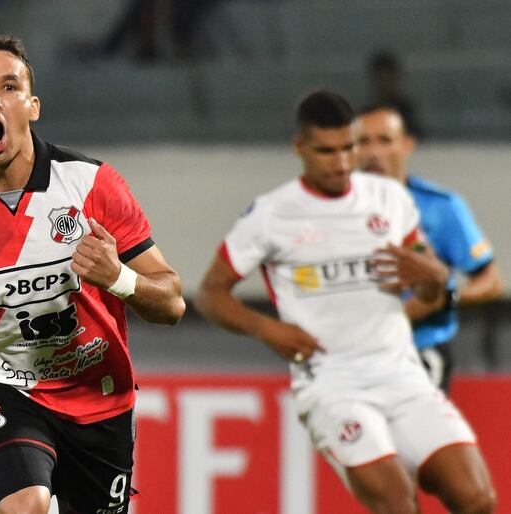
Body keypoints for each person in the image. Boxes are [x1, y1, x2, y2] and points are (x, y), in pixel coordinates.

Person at [0, 32, 185, 514]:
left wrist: (117, 277)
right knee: (26, 504)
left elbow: (172, 303)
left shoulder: (92, 186)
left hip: (99, 397)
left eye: (10, 87)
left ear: (33, 106)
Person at [195, 90, 496, 513]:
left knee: (478, 498)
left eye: (348, 148)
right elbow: (210, 294)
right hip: (332, 384)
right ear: (299, 147)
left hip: (402, 373)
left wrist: (436, 278)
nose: (340, 163)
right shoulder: (271, 215)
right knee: (398, 503)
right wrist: (267, 328)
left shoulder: (389, 199)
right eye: (326, 151)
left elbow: (428, 287)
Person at [355, 105, 503, 392]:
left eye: (384, 140)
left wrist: (445, 298)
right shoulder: (336, 210)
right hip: (353, 355)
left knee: (412, 437)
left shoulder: (439, 207)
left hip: (418, 351)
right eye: (363, 141)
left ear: (406, 145)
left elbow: (491, 280)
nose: (373, 152)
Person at [367, 51, 423, 139]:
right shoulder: (368, 111)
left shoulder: (406, 110)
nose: (385, 84)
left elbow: (417, 138)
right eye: (381, 79)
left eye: (388, 78)